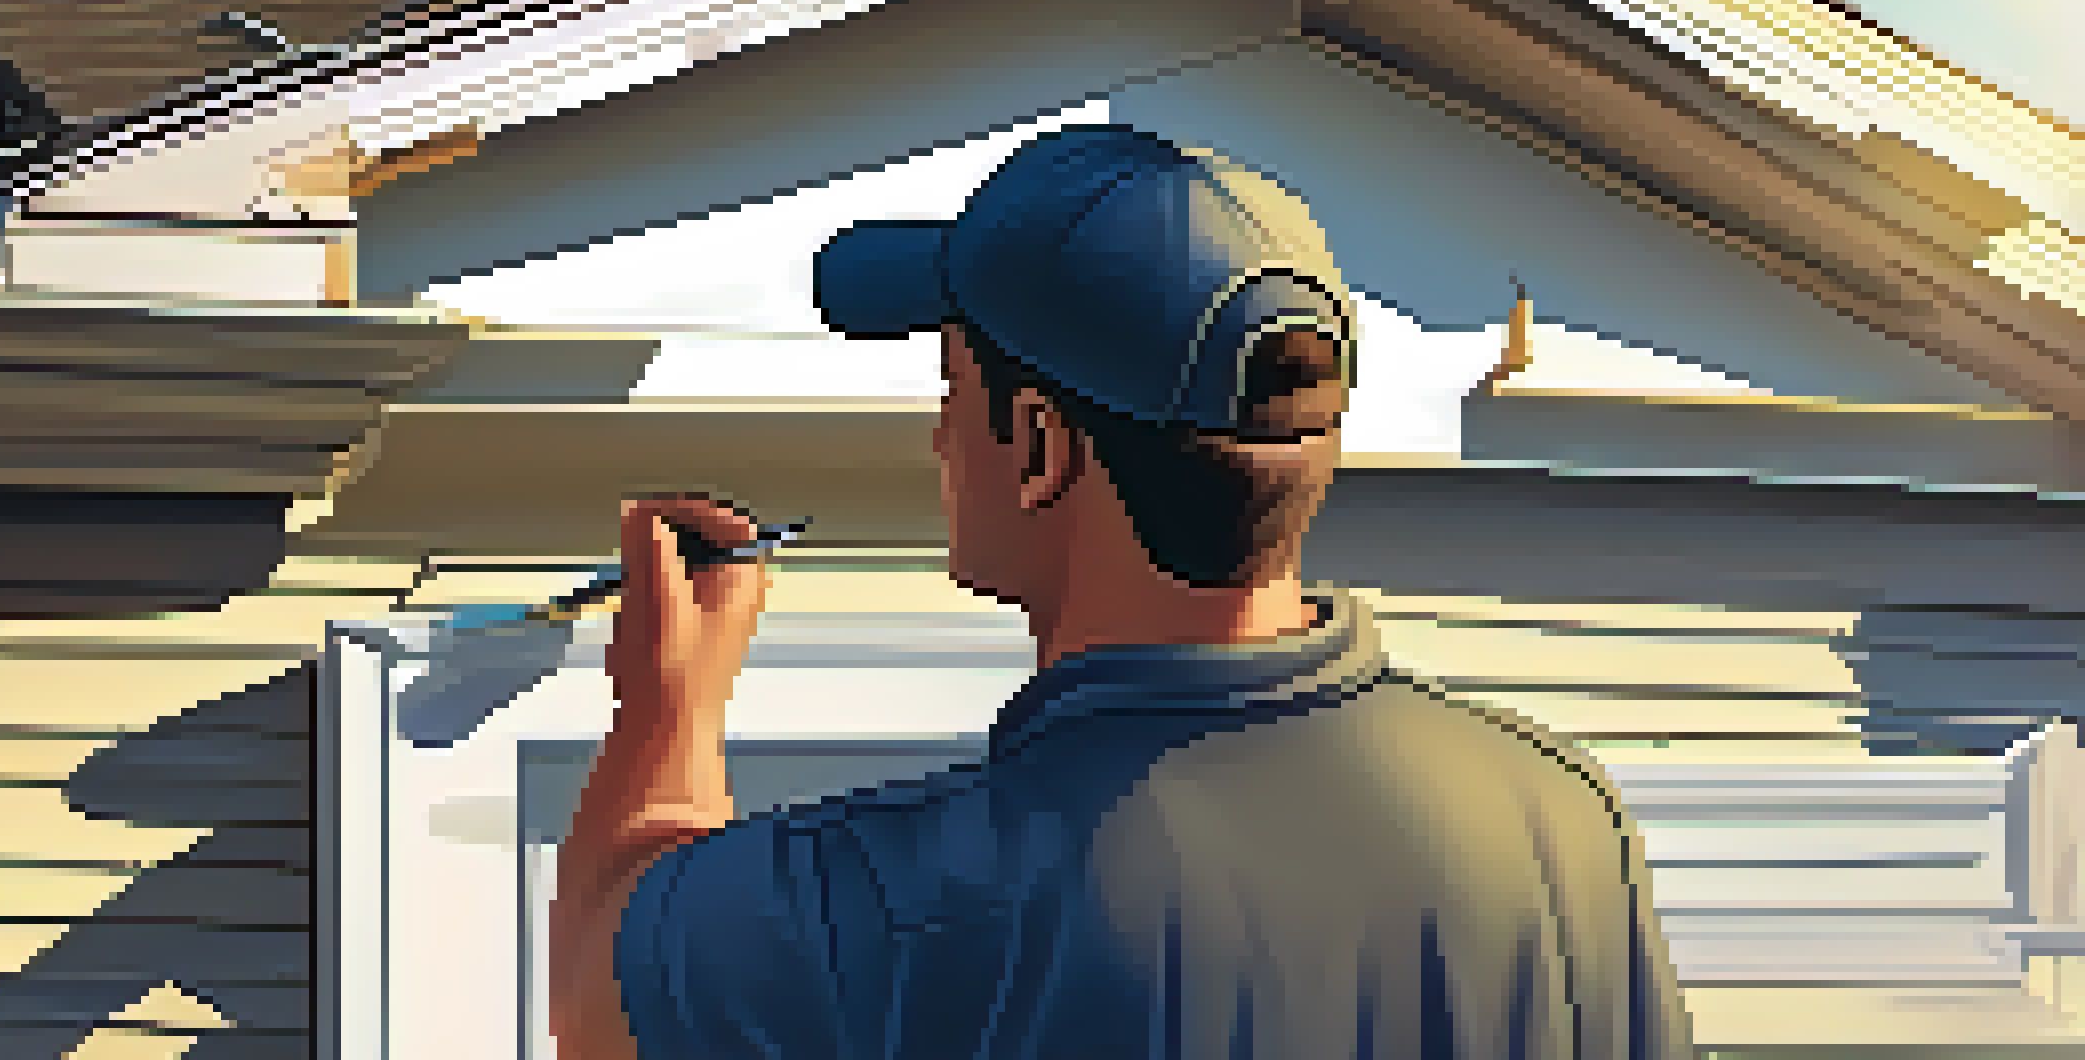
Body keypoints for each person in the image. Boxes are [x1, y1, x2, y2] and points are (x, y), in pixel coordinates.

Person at [548, 125, 1692, 1059]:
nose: (940, 438)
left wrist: (671, 702)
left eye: (953, 386)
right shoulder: (1559, 827)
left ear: (1041, 449)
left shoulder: (916, 899)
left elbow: (603, 991)